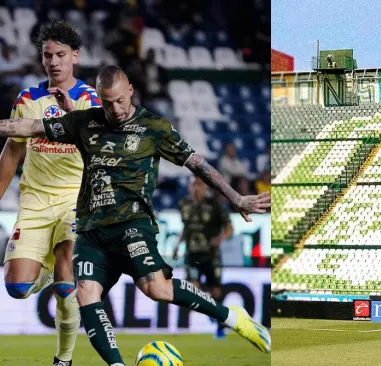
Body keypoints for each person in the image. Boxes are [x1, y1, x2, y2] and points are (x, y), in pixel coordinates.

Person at [0, 65, 271, 365]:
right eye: (106, 102)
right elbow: (27, 128)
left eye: (119, 100)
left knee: (156, 288)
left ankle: (235, 319)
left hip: (132, 225)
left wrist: (236, 198)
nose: (114, 108)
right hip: (91, 230)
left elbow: (198, 164)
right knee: (85, 293)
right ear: (98, 99)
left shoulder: (154, 127)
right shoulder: (84, 123)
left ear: (130, 91)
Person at [0, 20, 100, 366]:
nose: (54, 61)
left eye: (60, 54)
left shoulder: (90, 99)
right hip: (34, 203)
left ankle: (64, 359)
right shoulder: (28, 99)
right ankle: (46, 274)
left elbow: (99, 151)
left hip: (75, 199)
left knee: (66, 276)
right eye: (47, 55)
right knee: (16, 288)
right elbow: (12, 153)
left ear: (75, 56)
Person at [174, 176, 233, 339]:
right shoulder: (184, 205)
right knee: (193, 289)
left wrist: (220, 239)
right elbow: (186, 227)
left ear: (205, 188)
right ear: (189, 187)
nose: (196, 188)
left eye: (199, 184)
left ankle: (220, 325)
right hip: (192, 254)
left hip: (211, 255)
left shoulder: (215, 205)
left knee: (215, 291)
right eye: (193, 184)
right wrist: (177, 245)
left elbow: (229, 227)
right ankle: (211, 312)